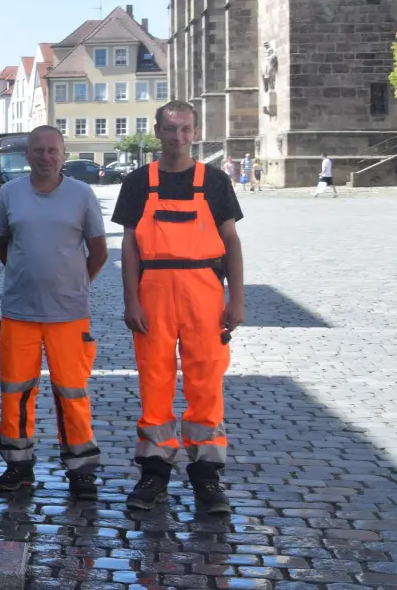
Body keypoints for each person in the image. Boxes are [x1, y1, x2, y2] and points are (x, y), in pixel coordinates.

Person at [113, 100, 245, 515]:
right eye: (171, 130)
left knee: (205, 378)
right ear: (158, 132)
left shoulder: (215, 182)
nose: (178, 138)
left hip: (204, 288)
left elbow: (232, 242)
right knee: (155, 378)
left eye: (186, 130)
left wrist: (236, 298)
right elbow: (130, 246)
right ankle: (154, 470)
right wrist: (131, 298)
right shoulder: (138, 182)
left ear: (195, 131)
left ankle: (207, 476)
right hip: (153, 287)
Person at [0, 125, 109, 501]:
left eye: (52, 150)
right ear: (28, 155)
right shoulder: (10, 193)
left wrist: (76, 284)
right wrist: (27, 276)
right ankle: (18, 466)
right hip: (19, 312)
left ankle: (81, 468)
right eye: (38, 150)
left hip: (69, 314)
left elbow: (99, 250)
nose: (45, 157)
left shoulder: (81, 194)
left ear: (64, 154)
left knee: (71, 393)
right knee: (16, 392)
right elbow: (2, 246)